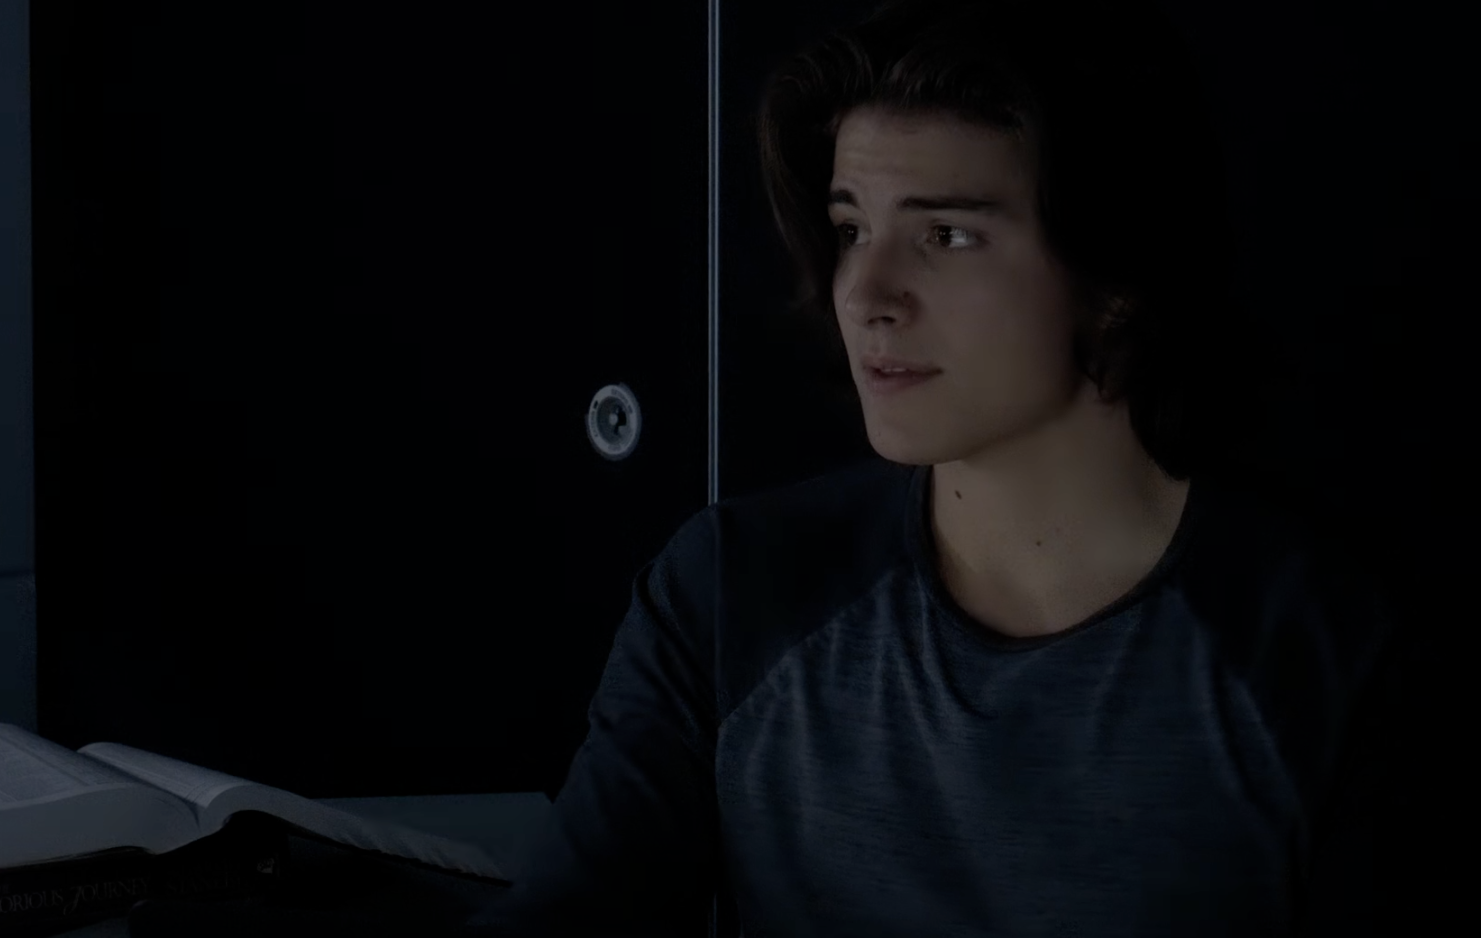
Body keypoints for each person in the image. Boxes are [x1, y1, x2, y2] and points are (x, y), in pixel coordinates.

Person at [462, 0, 1398, 935]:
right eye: (851, 229)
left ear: (1116, 278)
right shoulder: (730, 595)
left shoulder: (1326, 655)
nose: (865, 294)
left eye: (945, 236)